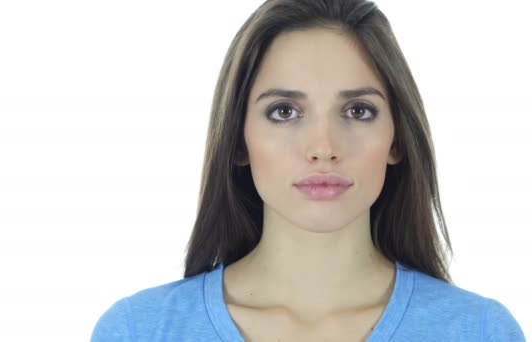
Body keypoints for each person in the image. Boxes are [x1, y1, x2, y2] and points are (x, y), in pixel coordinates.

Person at [91, 0, 525, 340]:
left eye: (358, 110)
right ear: (238, 140)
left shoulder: (481, 332)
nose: (323, 147)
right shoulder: (138, 332)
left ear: (397, 139)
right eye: (283, 112)